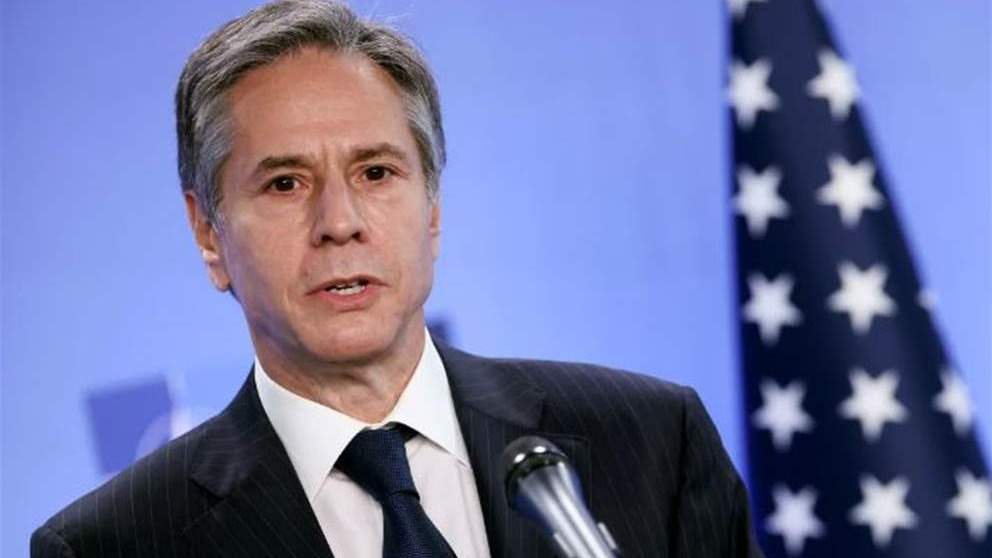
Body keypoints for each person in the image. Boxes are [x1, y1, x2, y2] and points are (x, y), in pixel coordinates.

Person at [31, 1, 763, 556]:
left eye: (376, 172)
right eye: (285, 184)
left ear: (432, 208)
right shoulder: (112, 545)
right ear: (207, 233)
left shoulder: (653, 444)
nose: (339, 222)